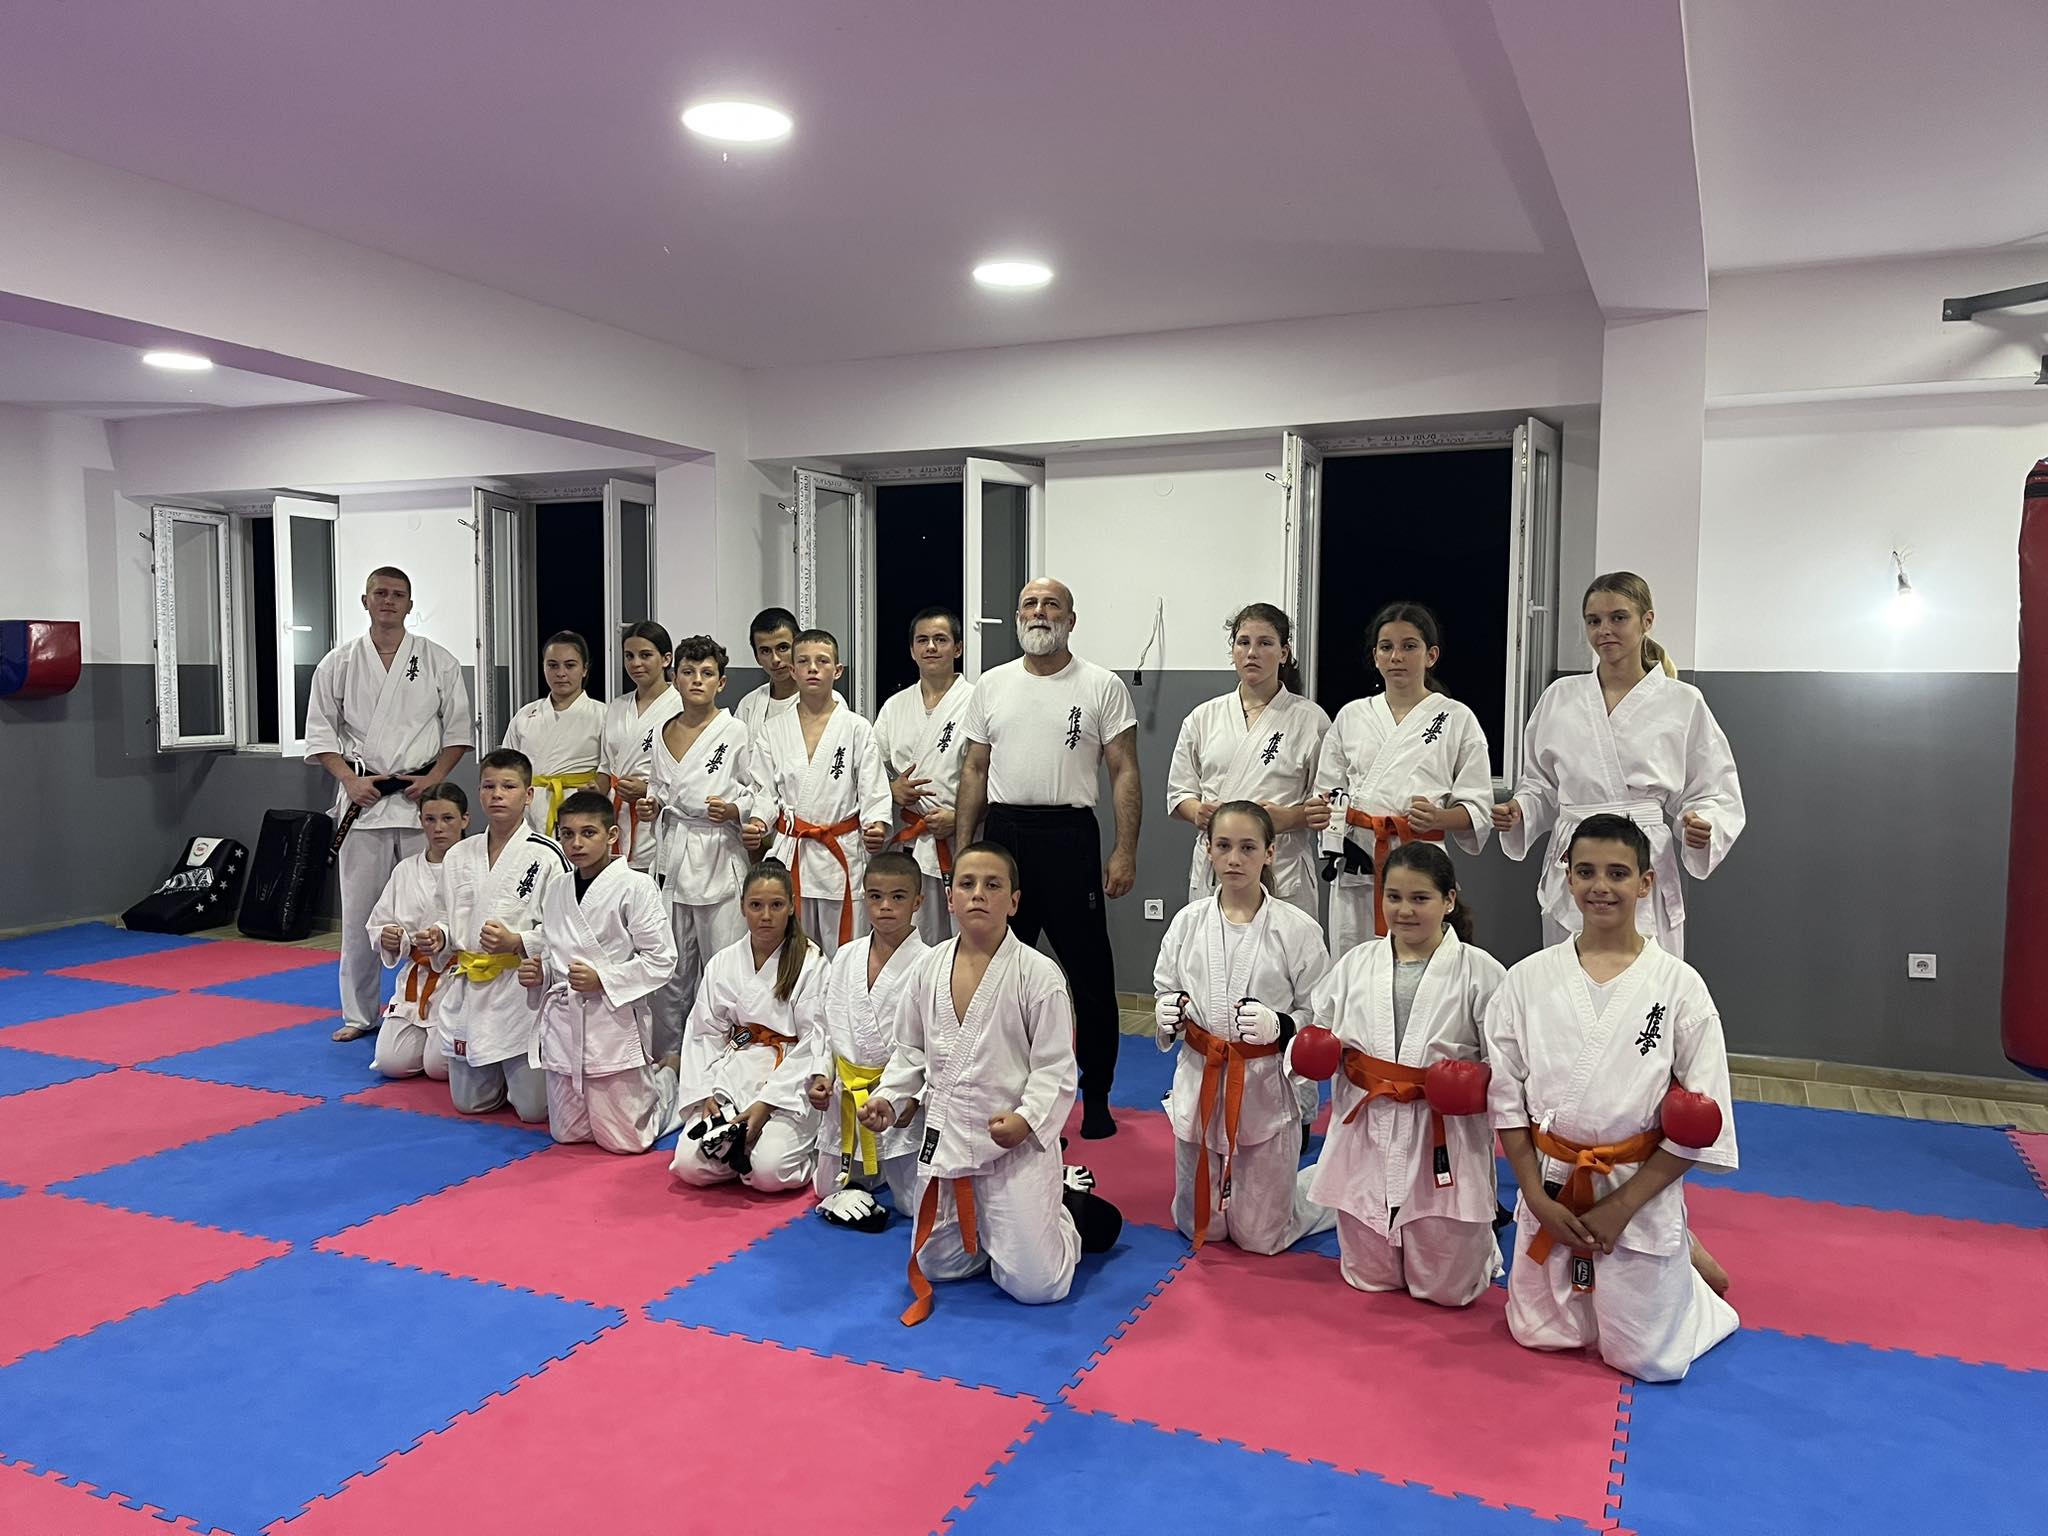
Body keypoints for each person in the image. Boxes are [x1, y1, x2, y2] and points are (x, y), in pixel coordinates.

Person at [1486, 815, 1739, 1383]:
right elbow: (1505, 1102)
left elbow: (1704, 1120)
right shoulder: (1525, 980)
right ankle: (1679, 1262)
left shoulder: (1679, 986)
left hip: (1636, 1192)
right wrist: (1535, 1198)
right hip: (1552, 1185)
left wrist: (1621, 1208)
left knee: (1648, 1360)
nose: (1601, 886)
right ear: (1568, 880)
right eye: (1586, 872)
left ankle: (1688, 1281)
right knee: (1538, 1334)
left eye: (1618, 873)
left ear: (1646, 883)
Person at [859, 843, 1124, 1325]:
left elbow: (1055, 1068)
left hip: (1013, 1147)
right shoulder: (927, 968)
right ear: (950, 898)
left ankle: (1067, 1213)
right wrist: (890, 1098)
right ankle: (1004, 1227)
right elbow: (911, 1052)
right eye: (967, 884)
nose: (978, 894)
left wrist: (1027, 1119)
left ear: (1014, 901)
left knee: (1038, 1286)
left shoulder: (1037, 975)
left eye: (992, 884)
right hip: (948, 1141)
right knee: (937, 1265)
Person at [955, 578, 1141, 1139]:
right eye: (1030, 605)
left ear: (1071, 620)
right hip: (1005, 835)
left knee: (1090, 975)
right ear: (1018, 617)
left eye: (1051, 605)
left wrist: (1125, 850)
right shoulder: (992, 685)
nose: (1039, 613)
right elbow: (974, 770)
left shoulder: (1101, 685)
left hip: (1069, 836)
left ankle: (1097, 1095)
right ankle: (1009, 1095)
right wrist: (965, 852)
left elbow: (1124, 770)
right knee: (998, 972)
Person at [1492, 573, 1745, 959]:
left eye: (1618, 618)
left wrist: (1701, 824)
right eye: (1594, 620)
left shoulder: (1683, 701)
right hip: (1577, 856)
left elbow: (1713, 789)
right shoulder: (1560, 697)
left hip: (1640, 856)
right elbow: (1540, 785)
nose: (1604, 630)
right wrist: (1520, 810)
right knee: (1569, 972)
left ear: (1647, 621)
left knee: (1644, 976)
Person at [1307, 843, 1505, 1306]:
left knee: (1449, 1292)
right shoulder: (1356, 963)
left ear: (1449, 900)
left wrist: (1477, 1084)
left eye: (1420, 898)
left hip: (1441, 1132)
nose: (1404, 910)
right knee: (1368, 1277)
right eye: (1393, 897)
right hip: (1367, 1127)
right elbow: (1320, 1027)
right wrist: (1310, 1050)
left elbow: (1510, 1061)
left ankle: (1482, 1246)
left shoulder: (1482, 973)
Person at [1152, 802, 1334, 1255]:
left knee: (1261, 1237)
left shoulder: (1297, 929)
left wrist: (1283, 1025)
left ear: (1270, 853)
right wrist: (1167, 1012)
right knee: (1199, 1226)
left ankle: (1332, 1184)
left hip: (1262, 1086)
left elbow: (1322, 1015)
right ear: (1208, 850)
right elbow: (1165, 986)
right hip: (1201, 1080)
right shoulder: (1187, 923)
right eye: (1224, 846)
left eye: (1248, 847)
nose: (1234, 859)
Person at [305, 566, 472, 1043]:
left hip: (421, 802)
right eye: (380, 593)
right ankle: (359, 1014)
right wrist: (348, 780)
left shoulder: (438, 660)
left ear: (410, 604)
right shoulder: (337, 663)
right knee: (361, 917)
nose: (388, 601)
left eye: (398, 594)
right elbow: (321, 734)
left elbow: (459, 730)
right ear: (365, 601)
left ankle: (440, 1005)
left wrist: (435, 780)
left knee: (436, 909)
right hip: (365, 801)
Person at [1314, 602, 1493, 957]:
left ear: (1431, 655)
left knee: (1421, 958)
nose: (1397, 656)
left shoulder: (1456, 718)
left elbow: (1478, 808)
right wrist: (1324, 813)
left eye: (1409, 646)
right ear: (1376, 656)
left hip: (1421, 859)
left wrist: (1440, 817)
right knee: (1353, 962)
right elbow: (1327, 792)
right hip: (1358, 860)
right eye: (1386, 647)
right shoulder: (1352, 715)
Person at [520, 790, 680, 1153]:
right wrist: (541, 974)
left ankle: (668, 1079)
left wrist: (603, 980)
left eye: (588, 833)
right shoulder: (557, 888)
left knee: (628, 1142)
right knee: (567, 1133)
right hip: (564, 1024)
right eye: (567, 834)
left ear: (611, 835)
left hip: (612, 1022)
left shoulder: (636, 886)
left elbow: (662, 960)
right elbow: (553, 951)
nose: (576, 843)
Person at [423, 749, 567, 1123]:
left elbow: (566, 929)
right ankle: (500, 1077)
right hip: (471, 989)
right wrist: (440, 936)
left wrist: (518, 942)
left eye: (508, 786)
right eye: (489, 786)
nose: (497, 795)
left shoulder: (547, 855)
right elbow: (444, 914)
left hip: (520, 991)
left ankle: (520, 1074)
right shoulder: (459, 854)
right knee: (467, 1104)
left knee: (534, 1111)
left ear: (529, 795)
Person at [669, 860, 827, 1194]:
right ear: (742, 906)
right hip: (737, 1069)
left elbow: (814, 1040)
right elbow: (704, 1032)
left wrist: (766, 1103)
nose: (766, 916)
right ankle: (738, 1149)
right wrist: (705, 1092)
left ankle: (810, 1151)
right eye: (756, 905)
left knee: (768, 1173)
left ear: (791, 906)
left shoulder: (811, 962)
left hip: (788, 1080)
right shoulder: (724, 962)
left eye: (776, 905)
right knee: (688, 1166)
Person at [1166, 603, 1331, 920]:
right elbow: (1179, 793)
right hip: (1219, 863)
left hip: (1282, 866)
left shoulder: (1311, 720)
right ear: (1233, 651)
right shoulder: (1203, 717)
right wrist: (1198, 811)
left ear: (1284, 653)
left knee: (1287, 948)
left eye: (1265, 643)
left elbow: (1326, 803)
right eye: (1243, 642)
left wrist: (1289, 817)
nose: (1252, 652)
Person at [639, 635, 758, 1062]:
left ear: (721, 682)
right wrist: (651, 804)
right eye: (688, 672)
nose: (696, 680)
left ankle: (729, 1056)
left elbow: (760, 791)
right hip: (673, 856)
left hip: (718, 855)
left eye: (707, 673)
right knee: (671, 967)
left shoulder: (736, 732)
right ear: (674, 678)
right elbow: (657, 787)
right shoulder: (662, 730)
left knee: (723, 963)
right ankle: (670, 1058)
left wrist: (735, 810)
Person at [741, 629, 890, 956]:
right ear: (792, 670)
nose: (812, 668)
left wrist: (876, 824)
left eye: (822, 661)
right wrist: (758, 821)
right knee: (794, 952)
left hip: (840, 852)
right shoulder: (773, 729)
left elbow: (873, 786)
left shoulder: (856, 728)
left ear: (837, 670)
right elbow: (764, 790)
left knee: (845, 952)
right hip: (792, 851)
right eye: (804, 662)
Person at [806, 850, 930, 1231]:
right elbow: (824, 1025)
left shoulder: (930, 963)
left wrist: (912, 1098)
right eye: (875, 896)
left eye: (897, 897)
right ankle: (865, 1177)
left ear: (917, 902)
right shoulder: (846, 956)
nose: (885, 906)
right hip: (848, 1096)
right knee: (826, 1188)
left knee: (914, 1205)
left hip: (898, 1102)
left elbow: (934, 1046)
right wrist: (821, 1075)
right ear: (864, 898)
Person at [873, 607, 977, 944]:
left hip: (962, 837)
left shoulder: (976, 701)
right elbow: (870, 769)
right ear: (912, 650)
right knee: (913, 936)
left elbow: (993, 775)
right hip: (910, 840)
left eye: (940, 640)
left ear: (957, 648)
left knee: (962, 935)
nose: (931, 647)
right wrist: (891, 789)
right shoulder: (895, 706)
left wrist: (959, 818)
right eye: (923, 640)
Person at [368, 782, 467, 1081]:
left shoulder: (475, 868)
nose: (439, 828)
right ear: (421, 821)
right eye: (430, 819)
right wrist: (388, 936)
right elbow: (379, 922)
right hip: (417, 977)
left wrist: (444, 939)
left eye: (448, 818)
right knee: (391, 1063)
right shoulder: (406, 870)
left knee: (438, 1067)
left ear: (465, 820)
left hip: (459, 978)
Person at [503, 630, 606, 837]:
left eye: (570, 665)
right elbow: (507, 765)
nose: (561, 673)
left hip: (580, 808)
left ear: (584, 669)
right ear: (543, 667)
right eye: (552, 665)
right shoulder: (526, 714)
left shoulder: (602, 715)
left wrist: (598, 790)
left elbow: (610, 767)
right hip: (529, 809)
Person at [598, 622, 681, 873]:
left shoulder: (680, 706)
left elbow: (689, 776)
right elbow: (605, 765)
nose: (635, 663)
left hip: (655, 814)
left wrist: (647, 789)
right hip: (616, 812)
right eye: (629, 656)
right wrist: (595, 790)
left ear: (666, 659)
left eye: (645, 655)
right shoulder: (617, 706)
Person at [733, 606, 800, 742]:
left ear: (799, 647)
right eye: (765, 651)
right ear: (757, 657)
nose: (775, 659)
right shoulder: (748, 704)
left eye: (783, 648)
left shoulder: (827, 700)